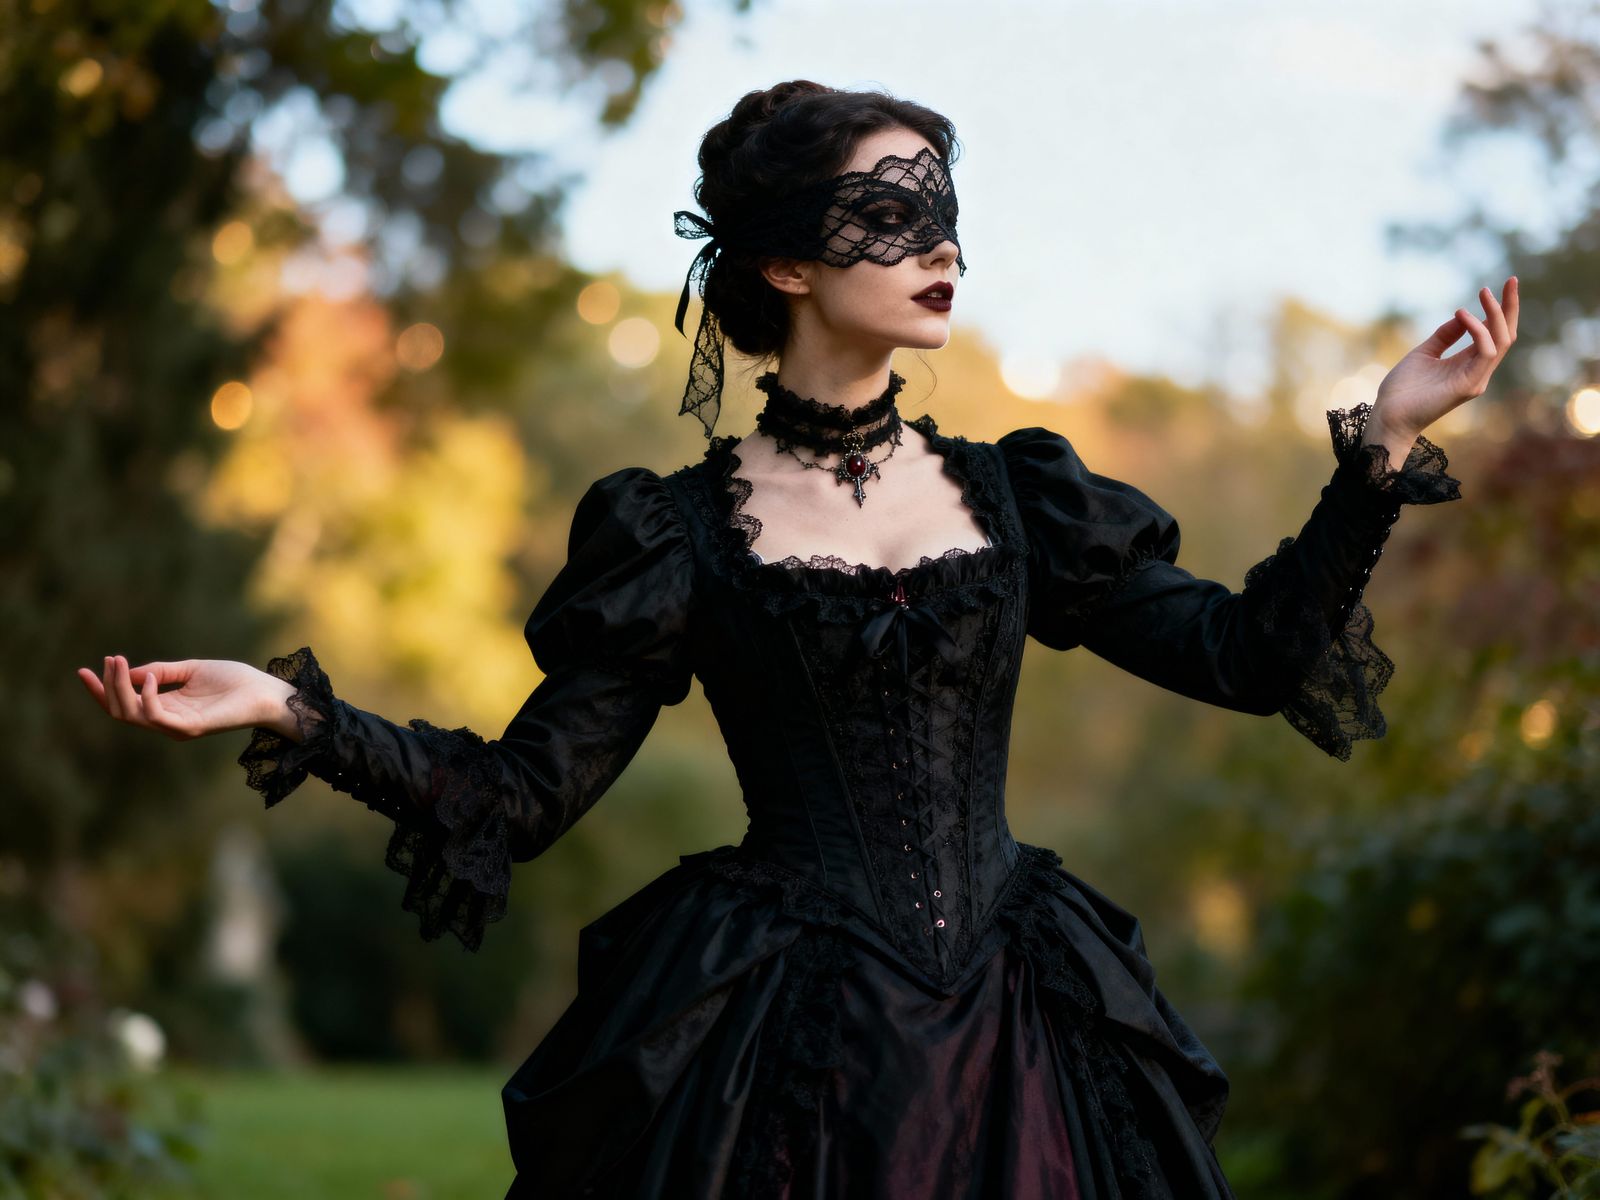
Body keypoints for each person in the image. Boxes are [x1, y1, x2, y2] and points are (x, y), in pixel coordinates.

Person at [80, 80, 1518, 1199]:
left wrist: (1381, 446)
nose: (939, 245)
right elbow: (519, 797)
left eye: (942, 209)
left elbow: (1250, 658)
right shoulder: (676, 535)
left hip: (1022, 1031)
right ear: (780, 262)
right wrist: (290, 710)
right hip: (790, 1049)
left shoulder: (1020, 499)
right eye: (889, 213)